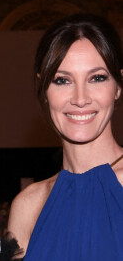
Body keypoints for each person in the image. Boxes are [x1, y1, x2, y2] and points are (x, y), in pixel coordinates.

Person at [7, 13, 123, 260]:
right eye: (62, 80)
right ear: (44, 90)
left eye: (97, 78)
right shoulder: (26, 207)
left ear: (118, 87)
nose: (80, 98)